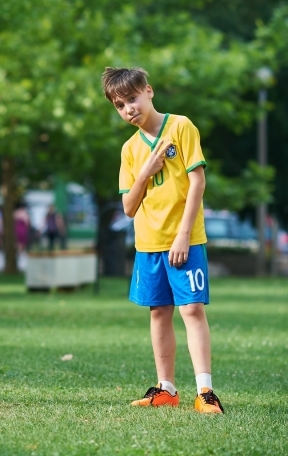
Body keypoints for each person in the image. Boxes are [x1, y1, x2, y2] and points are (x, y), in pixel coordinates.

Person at [103, 66, 223, 413]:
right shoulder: (129, 149)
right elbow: (128, 207)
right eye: (120, 105)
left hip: (185, 240)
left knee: (192, 309)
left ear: (149, 91)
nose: (128, 109)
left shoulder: (181, 127)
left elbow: (198, 182)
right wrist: (145, 172)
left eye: (132, 98)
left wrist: (183, 234)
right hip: (149, 244)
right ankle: (166, 389)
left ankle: (205, 392)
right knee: (159, 312)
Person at [13, 203, 30, 270]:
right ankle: (20, 253)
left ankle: (19, 253)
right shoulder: (24, 213)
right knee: (21, 243)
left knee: (19, 243)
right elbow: (27, 222)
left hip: (18, 228)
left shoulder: (16, 213)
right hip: (21, 229)